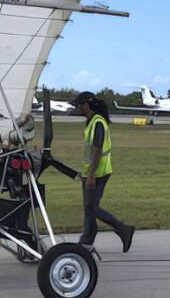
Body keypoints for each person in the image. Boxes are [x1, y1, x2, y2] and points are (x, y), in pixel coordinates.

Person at [70, 91, 135, 252]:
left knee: (91, 208)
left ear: (85, 105)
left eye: (78, 105)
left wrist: (91, 176)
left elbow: (97, 150)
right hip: (92, 172)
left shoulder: (97, 122)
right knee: (90, 207)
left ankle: (122, 229)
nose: (76, 108)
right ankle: (87, 241)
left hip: (98, 173)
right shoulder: (91, 121)